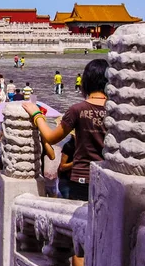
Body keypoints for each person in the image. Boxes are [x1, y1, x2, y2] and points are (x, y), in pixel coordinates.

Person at [23, 59, 109, 201]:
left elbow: (51, 137)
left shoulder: (78, 110)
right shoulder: (115, 110)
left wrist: (36, 114)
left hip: (82, 177)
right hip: (108, 178)